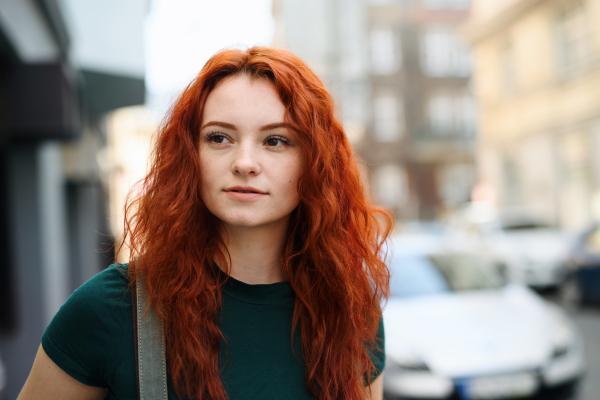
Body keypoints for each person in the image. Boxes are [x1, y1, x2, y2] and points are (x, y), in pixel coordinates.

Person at [17, 47, 393, 400]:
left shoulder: (353, 314)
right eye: (219, 137)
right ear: (189, 156)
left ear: (316, 162)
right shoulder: (109, 310)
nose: (245, 162)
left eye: (276, 140)